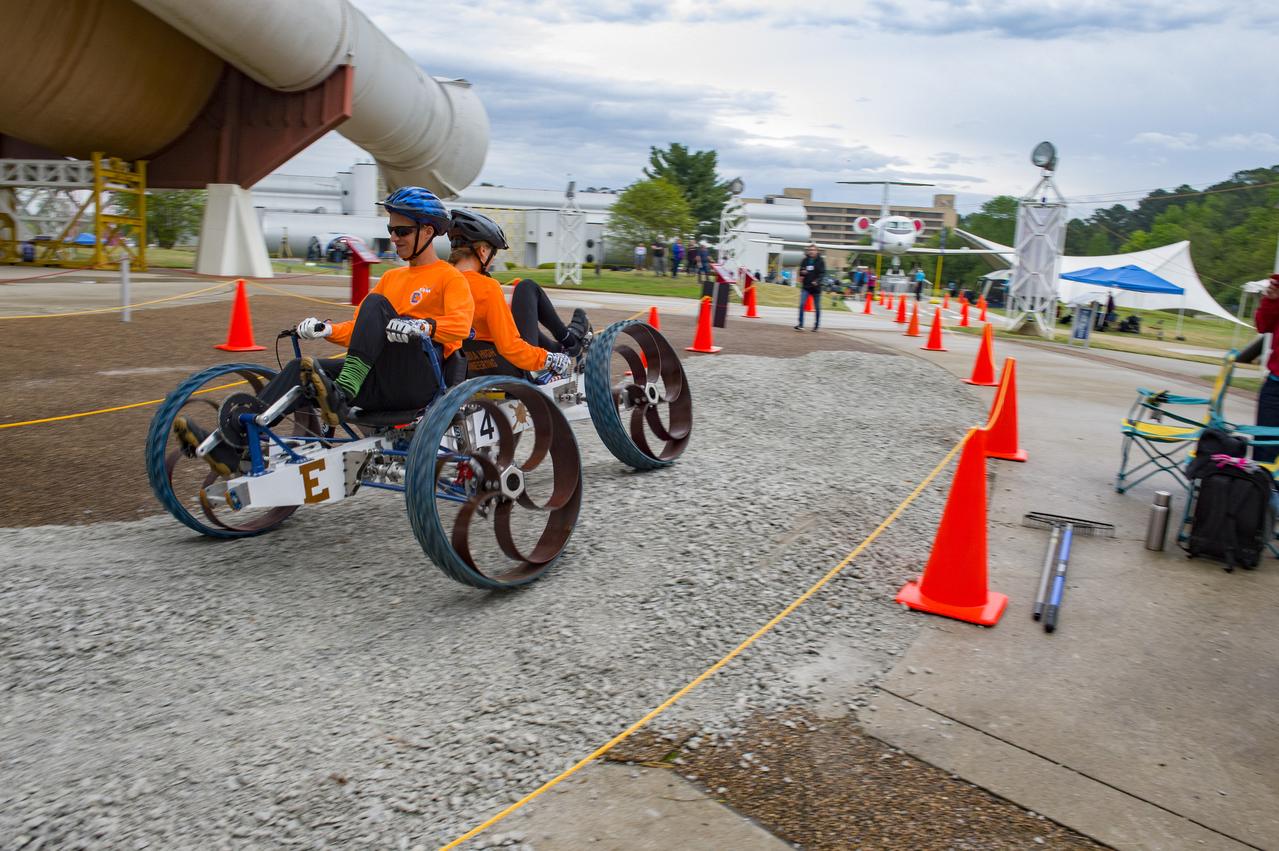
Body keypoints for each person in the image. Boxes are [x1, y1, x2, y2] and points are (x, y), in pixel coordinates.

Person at [172, 187, 474, 476]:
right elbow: (362, 331)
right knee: (302, 370)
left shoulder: (450, 278)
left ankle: (342, 392)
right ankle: (230, 445)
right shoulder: (392, 278)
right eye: (391, 230)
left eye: (402, 231)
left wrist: (422, 326)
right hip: (380, 380)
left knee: (375, 305)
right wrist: (326, 329)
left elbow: (461, 326)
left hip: (419, 381)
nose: (394, 238)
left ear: (429, 231)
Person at [447, 208, 589, 378]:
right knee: (526, 287)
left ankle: (561, 347)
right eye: (494, 253)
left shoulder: (441, 282)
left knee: (515, 318)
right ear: (483, 251)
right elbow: (510, 347)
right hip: (511, 370)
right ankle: (570, 342)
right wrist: (548, 359)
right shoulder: (487, 287)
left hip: (468, 371)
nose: (492, 260)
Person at [1253, 274, 1279, 464]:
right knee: (1264, 446)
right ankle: (1262, 491)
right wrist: (1270, 300)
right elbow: (1262, 326)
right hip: (1275, 384)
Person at [794, 244, 825, 332]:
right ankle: (801, 324)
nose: (811, 251)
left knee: (817, 307)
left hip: (816, 288)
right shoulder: (805, 260)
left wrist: (817, 281)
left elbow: (822, 274)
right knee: (801, 304)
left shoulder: (821, 261)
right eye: (810, 249)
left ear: (817, 251)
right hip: (806, 287)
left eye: (813, 250)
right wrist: (802, 273)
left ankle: (816, 325)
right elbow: (801, 271)